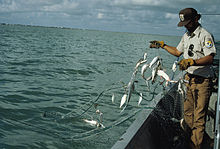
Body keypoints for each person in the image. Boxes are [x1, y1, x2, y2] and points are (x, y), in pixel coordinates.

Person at [149, 8, 216, 149]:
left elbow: (210, 57)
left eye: (188, 22)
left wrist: (192, 62)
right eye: (184, 23)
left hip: (202, 82)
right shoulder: (186, 36)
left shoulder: (205, 35)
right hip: (188, 80)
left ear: (197, 19)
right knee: (187, 114)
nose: (186, 25)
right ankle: (190, 142)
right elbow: (178, 52)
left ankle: (195, 146)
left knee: (198, 118)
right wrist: (163, 45)